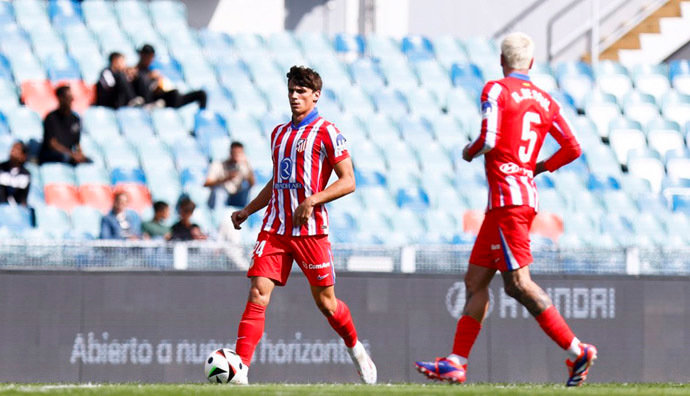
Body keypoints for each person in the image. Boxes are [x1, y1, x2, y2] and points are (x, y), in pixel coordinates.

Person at [414, 32, 596, 387]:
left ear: (501, 60)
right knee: (476, 280)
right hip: (512, 200)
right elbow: (573, 147)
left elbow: (490, 138)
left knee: (518, 284)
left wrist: (469, 150)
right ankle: (456, 362)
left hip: (508, 201)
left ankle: (578, 351)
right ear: (530, 63)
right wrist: (539, 167)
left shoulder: (495, 89)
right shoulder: (545, 100)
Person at [230, 66, 376, 384]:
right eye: (291, 91)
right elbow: (277, 182)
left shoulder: (327, 132)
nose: (295, 97)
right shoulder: (279, 133)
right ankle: (239, 369)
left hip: (310, 231)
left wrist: (313, 201)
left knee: (326, 303)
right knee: (258, 293)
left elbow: (348, 180)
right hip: (275, 228)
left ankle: (355, 348)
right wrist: (248, 211)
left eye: (301, 92)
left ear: (315, 96)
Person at [132, 44, 207, 109]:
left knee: (201, 94)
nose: (150, 60)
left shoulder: (151, 71)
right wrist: (149, 78)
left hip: (170, 97)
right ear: (142, 55)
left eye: (152, 57)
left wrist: (159, 80)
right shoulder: (136, 71)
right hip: (155, 99)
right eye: (148, 57)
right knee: (172, 94)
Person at [39, 86, 91, 165]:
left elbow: (76, 143)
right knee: (65, 157)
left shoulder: (75, 118)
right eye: (68, 98)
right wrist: (71, 154)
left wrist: (80, 154)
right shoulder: (51, 118)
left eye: (72, 98)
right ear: (60, 98)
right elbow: (52, 144)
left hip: (69, 154)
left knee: (88, 161)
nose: (71, 100)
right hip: (52, 154)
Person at [204, 141, 256, 209]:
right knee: (219, 193)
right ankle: (217, 215)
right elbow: (207, 183)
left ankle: (246, 213)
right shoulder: (218, 164)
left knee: (249, 190)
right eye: (234, 153)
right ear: (230, 152)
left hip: (237, 196)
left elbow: (252, 184)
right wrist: (226, 178)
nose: (236, 155)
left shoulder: (244, 166)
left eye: (239, 153)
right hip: (222, 195)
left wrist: (247, 166)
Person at [0, 141, 30, 206]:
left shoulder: (26, 174)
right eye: (12, 148)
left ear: (23, 156)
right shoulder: (1, 168)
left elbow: (22, 198)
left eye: (17, 150)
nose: (13, 151)